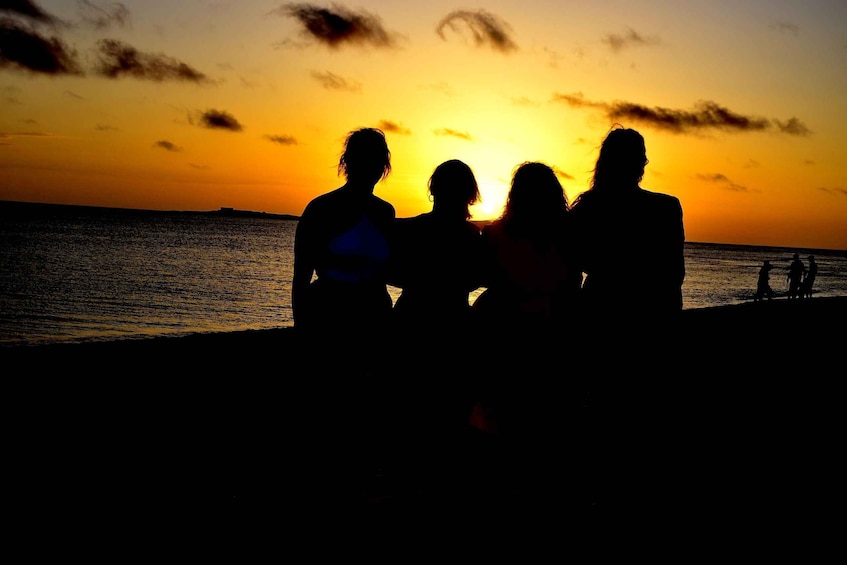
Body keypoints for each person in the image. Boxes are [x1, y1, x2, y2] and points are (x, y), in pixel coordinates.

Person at [568, 125, 686, 518]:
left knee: (604, 412)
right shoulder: (666, 207)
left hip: (602, 316)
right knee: (641, 415)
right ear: (641, 164)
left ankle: (603, 495)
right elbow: (674, 275)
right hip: (649, 320)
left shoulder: (588, 208)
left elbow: (574, 266)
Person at [290, 127, 395, 507]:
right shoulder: (322, 209)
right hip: (336, 319)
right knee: (337, 412)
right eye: (367, 159)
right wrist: (303, 328)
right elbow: (301, 277)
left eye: (376, 159)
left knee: (361, 413)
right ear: (350, 163)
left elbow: (386, 271)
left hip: (367, 318)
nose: (372, 166)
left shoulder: (382, 213)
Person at [471, 161, 584, 509]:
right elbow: (572, 281)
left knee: (507, 411)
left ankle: (505, 489)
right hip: (554, 330)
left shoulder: (495, 232)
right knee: (547, 415)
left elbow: (483, 278)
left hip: (507, 330)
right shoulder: (570, 232)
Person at [385, 159, 484, 501]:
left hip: (413, 319)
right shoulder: (472, 236)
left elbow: (391, 272)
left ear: (433, 189)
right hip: (454, 324)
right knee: (448, 412)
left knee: (410, 410)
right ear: (469, 195)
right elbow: (477, 279)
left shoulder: (409, 229)